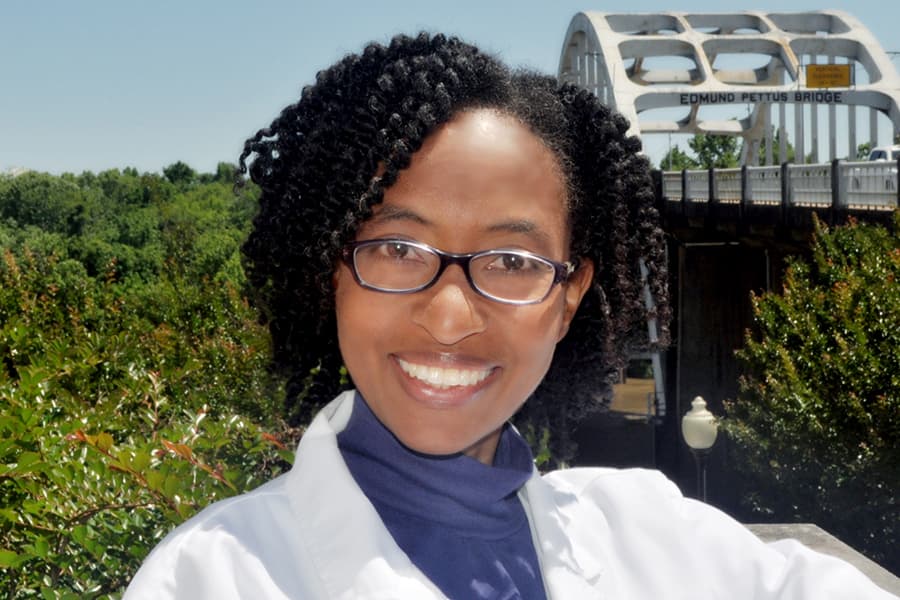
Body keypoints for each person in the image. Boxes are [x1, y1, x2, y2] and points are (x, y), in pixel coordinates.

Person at [124, 33, 897, 599]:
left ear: (567, 301)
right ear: (332, 269)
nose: (452, 315)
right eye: (397, 248)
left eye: (513, 262)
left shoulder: (656, 532)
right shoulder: (209, 577)